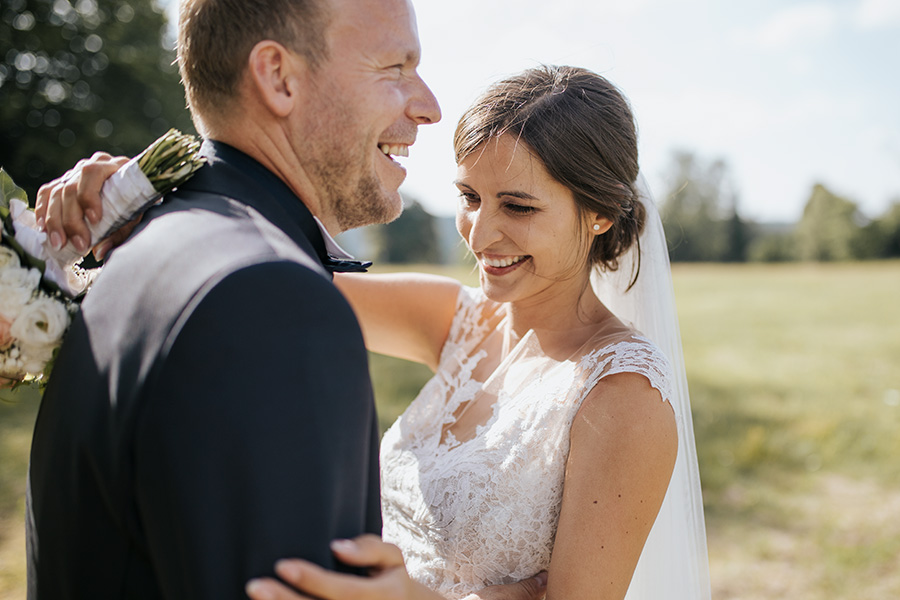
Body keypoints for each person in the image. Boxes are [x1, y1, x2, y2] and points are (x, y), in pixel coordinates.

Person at [42, 66, 711, 599]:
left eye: (519, 206)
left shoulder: (623, 396)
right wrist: (140, 191)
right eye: (471, 197)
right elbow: (252, 271)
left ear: (599, 214)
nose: (481, 234)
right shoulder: (455, 319)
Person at [24, 0, 546, 599]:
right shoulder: (268, 301)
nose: (428, 106)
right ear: (278, 77)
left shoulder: (142, 245)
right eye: (396, 67)